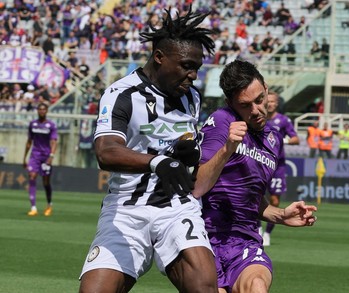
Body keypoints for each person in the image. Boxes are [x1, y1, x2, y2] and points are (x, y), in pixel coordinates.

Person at [78, 7, 218, 293]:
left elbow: (183, 147)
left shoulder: (191, 97)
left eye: (197, 68)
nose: (193, 75)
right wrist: (158, 163)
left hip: (175, 207)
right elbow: (106, 152)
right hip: (126, 208)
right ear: (159, 57)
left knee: (203, 286)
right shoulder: (122, 94)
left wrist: (187, 153)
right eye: (186, 65)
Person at [192, 59, 317, 293]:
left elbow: (251, 198)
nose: (256, 110)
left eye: (260, 100)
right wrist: (227, 147)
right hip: (204, 239)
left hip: (245, 241)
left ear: (266, 90)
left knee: (256, 286)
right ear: (231, 104)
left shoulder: (274, 139)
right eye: (245, 105)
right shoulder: (221, 122)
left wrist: (281, 215)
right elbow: (197, 185)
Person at [261, 91, 300, 246]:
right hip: (259, 162)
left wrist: (282, 140)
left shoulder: (283, 120)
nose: (269, 104)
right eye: (267, 101)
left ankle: (267, 233)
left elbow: (296, 139)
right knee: (252, 196)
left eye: (272, 101)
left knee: (275, 200)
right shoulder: (258, 117)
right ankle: (256, 228)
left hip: (277, 166)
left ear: (276, 103)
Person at [23, 103, 58, 216]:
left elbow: (54, 142)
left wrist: (51, 156)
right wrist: (24, 158)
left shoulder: (51, 125)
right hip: (35, 155)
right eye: (39, 109)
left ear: (47, 111)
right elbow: (29, 142)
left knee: (45, 182)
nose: (41, 111)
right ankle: (33, 207)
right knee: (32, 176)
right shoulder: (33, 124)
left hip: (46, 156)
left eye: (44, 109)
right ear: (37, 111)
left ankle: (49, 205)